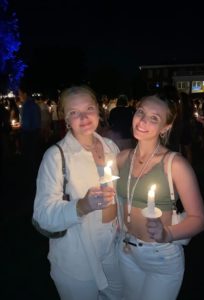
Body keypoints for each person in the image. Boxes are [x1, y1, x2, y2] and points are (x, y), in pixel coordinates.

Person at [32, 85, 123, 300]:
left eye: (89, 108)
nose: (83, 117)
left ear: (98, 111)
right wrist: (82, 206)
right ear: (65, 119)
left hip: (113, 250)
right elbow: (42, 215)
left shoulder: (111, 147)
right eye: (74, 112)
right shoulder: (56, 156)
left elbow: (120, 196)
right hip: (76, 257)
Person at [116, 92, 204, 300]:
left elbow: (200, 219)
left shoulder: (175, 164)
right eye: (141, 112)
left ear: (166, 127)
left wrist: (168, 233)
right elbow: (118, 199)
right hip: (126, 250)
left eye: (154, 118)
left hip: (160, 256)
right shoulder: (122, 158)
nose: (143, 121)